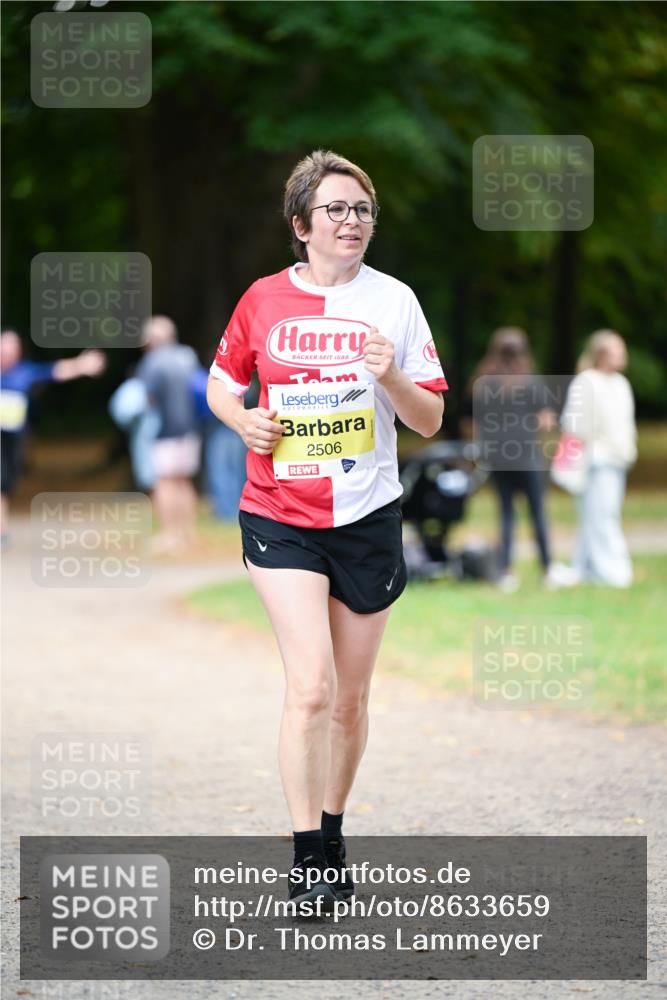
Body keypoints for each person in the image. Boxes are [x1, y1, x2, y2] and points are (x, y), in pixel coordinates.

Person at [206, 149, 447, 910]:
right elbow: (221, 384)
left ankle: (334, 828)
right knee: (310, 687)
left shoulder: (396, 301)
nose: (352, 221)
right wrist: (242, 419)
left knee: (349, 698)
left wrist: (391, 374)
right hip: (279, 514)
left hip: (367, 516)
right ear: (301, 225)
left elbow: (430, 418)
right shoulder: (262, 299)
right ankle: (308, 855)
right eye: (336, 209)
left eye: (363, 209)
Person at [468, 327, 576, 592]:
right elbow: (546, 419)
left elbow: (474, 422)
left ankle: (506, 572)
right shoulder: (530, 380)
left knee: (506, 513)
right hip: (526, 455)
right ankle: (548, 568)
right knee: (537, 511)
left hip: (496, 456)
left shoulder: (484, 382)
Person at [0, 329, 106, 543]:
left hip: (13, 441)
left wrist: (81, 365)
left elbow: (55, 371)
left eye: (12, 347)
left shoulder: (25, 372)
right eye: (5, 347)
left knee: (5, 484)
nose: (8, 352)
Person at [560, 329, 636, 587]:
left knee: (601, 516)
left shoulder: (620, 383)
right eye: (617, 350)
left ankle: (586, 569)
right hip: (595, 461)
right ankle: (613, 572)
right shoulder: (587, 381)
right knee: (600, 517)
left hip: (617, 459)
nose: (623, 355)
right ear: (601, 354)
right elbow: (575, 426)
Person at [135, 316, 201, 554]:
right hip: (190, 428)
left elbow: (147, 398)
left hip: (165, 431)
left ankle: (170, 534)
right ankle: (188, 533)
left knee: (164, 482)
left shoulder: (152, 362)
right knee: (184, 481)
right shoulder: (187, 357)